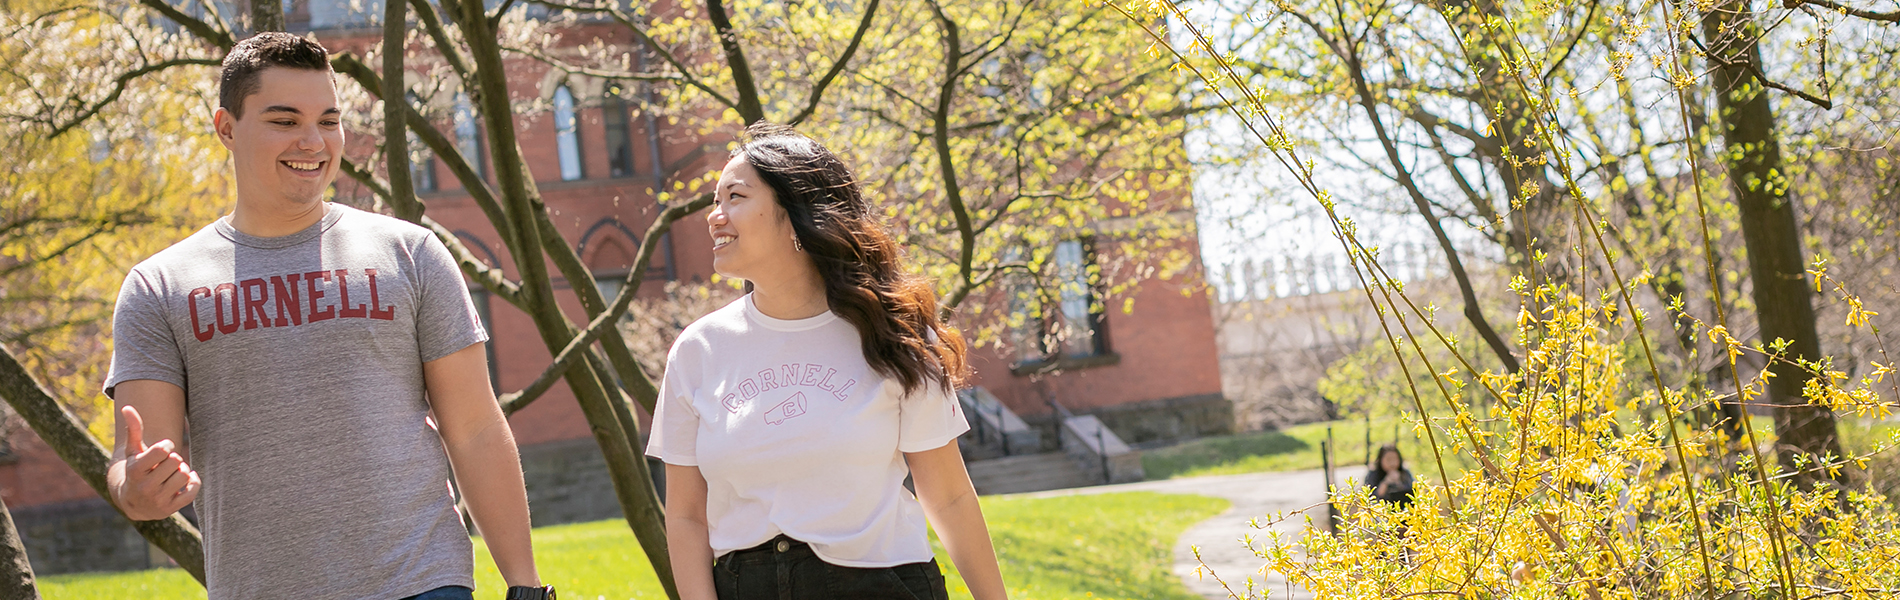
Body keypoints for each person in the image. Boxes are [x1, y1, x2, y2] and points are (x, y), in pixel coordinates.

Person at [102, 33, 553, 600]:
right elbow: (134, 459)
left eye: (329, 120)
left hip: (421, 582)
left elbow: (477, 429)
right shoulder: (159, 287)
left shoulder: (411, 254)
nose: (313, 142)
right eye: (285, 121)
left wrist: (527, 588)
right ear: (226, 128)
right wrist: (138, 489)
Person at [647, 123, 1009, 600]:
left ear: (797, 212)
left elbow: (949, 495)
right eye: (715, 202)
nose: (715, 216)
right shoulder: (698, 350)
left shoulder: (892, 334)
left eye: (734, 197)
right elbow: (687, 516)